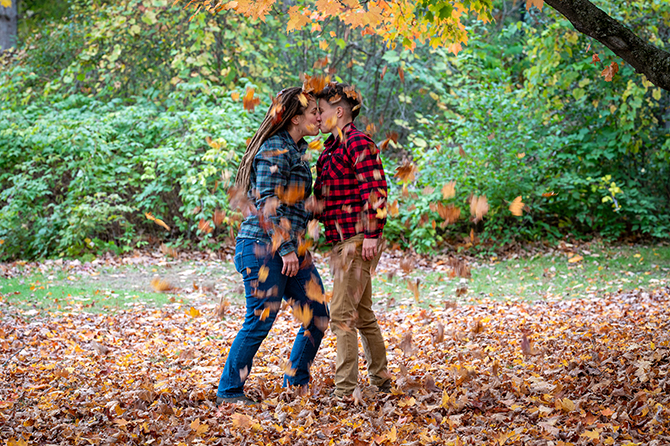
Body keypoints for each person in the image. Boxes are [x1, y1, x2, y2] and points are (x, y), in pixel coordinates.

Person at [216, 87, 330, 405]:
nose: (320, 117)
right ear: (296, 117)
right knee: (261, 318)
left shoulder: (298, 150)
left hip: (291, 248)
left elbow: (293, 204)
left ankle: (295, 384)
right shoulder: (274, 149)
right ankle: (229, 391)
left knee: (317, 314)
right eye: (314, 113)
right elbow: (267, 204)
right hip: (264, 247)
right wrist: (286, 249)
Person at [313, 83, 391, 398]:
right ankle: (381, 382)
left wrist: (372, 233)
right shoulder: (331, 149)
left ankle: (345, 390)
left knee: (342, 316)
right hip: (340, 241)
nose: (317, 117)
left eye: (321, 111)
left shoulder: (358, 142)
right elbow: (324, 197)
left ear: (339, 111)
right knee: (362, 315)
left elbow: (375, 191)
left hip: (358, 240)